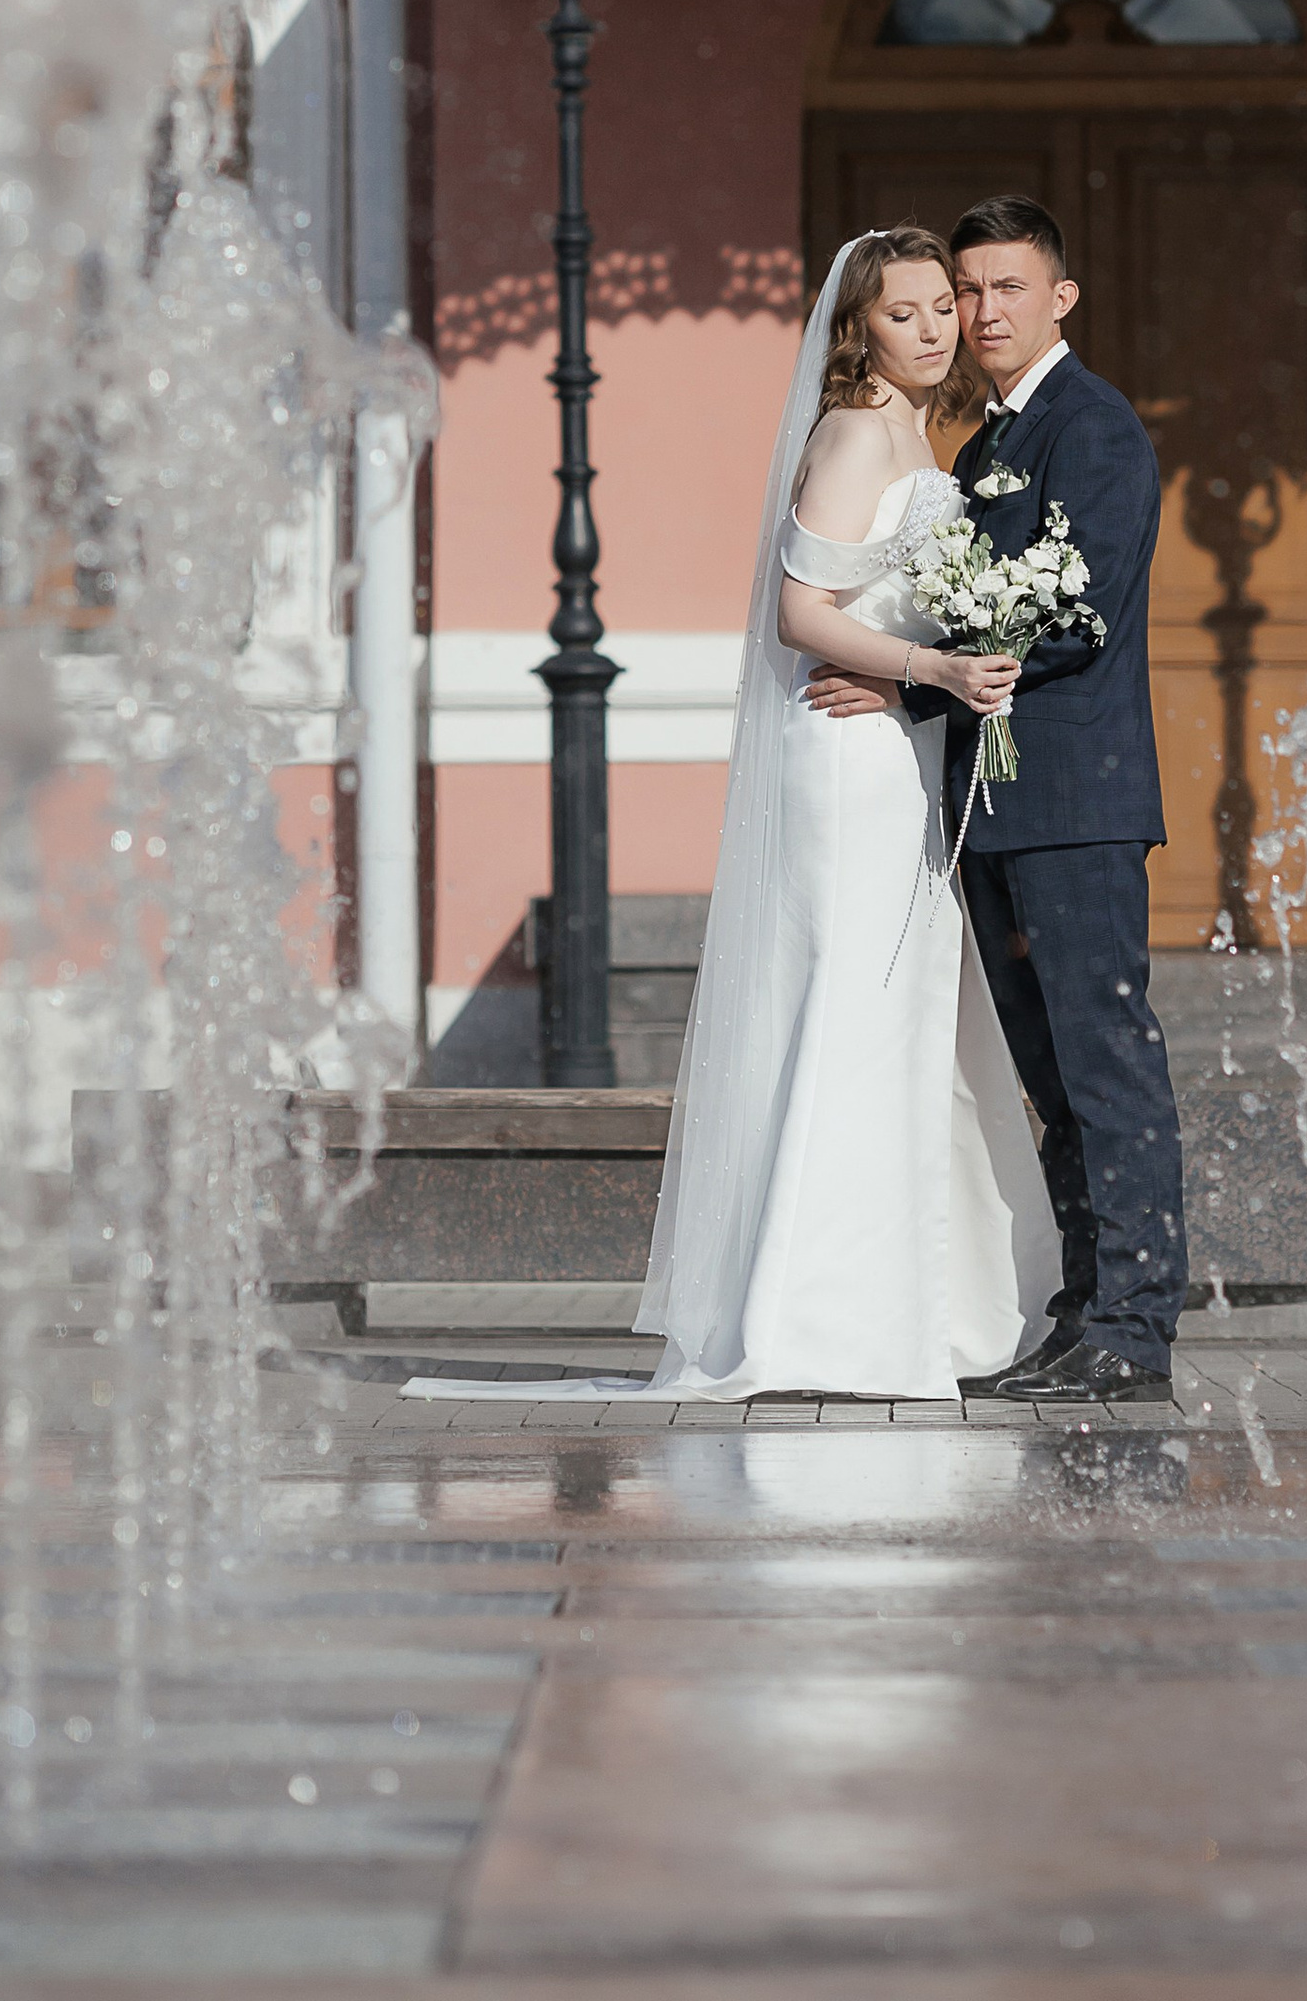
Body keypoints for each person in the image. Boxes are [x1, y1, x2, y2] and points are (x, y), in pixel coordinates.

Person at [405, 227, 1056, 1408]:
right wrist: (935, 668)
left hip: (896, 746)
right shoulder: (857, 432)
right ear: (857, 328)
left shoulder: (923, 431)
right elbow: (802, 613)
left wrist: (939, 670)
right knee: (850, 1007)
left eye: (939, 308)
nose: (931, 327)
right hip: (847, 756)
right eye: (902, 311)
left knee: (903, 1010)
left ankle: (918, 1305)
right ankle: (819, 1317)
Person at [805, 195, 1188, 1403]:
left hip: (1076, 802)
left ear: (1059, 297)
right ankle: (1082, 1311)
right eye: (966, 292)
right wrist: (916, 689)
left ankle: (1134, 1323)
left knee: (1106, 1063)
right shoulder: (980, 447)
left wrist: (915, 686)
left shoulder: (1099, 430)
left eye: (1007, 287)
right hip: (993, 807)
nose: (981, 312)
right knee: (1049, 1072)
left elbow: (1080, 612)